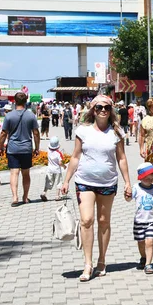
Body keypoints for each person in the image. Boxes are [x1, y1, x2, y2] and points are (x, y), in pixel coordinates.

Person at [60, 95, 132, 282]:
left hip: (108, 182)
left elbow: (121, 158)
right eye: (99, 107)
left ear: (111, 111)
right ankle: (87, 263)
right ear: (93, 109)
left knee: (104, 221)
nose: (103, 110)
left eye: (106, 107)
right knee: (86, 220)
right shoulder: (83, 131)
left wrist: (128, 182)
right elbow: (75, 157)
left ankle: (102, 260)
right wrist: (66, 180)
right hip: (84, 181)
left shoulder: (117, 132)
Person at [0, 92, 40, 207]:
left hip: (13, 148)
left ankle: (15, 197)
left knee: (14, 173)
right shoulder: (31, 115)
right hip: (26, 148)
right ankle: (25, 197)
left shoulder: (9, 116)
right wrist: (37, 148)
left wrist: (0, 147)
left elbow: (3, 133)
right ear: (26, 101)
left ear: (14, 101)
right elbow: (36, 133)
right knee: (26, 173)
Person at [126, 162, 153, 274]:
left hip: (151, 220)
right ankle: (143, 257)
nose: (151, 178)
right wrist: (126, 193)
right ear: (142, 177)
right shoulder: (136, 187)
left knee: (149, 241)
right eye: (149, 176)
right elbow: (128, 199)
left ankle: (148, 264)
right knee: (141, 242)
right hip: (139, 220)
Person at [40, 136, 66, 202]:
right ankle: (57, 196)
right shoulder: (58, 153)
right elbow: (60, 163)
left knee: (48, 181)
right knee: (58, 182)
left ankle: (44, 193)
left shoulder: (48, 151)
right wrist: (64, 166)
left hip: (49, 169)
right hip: (57, 170)